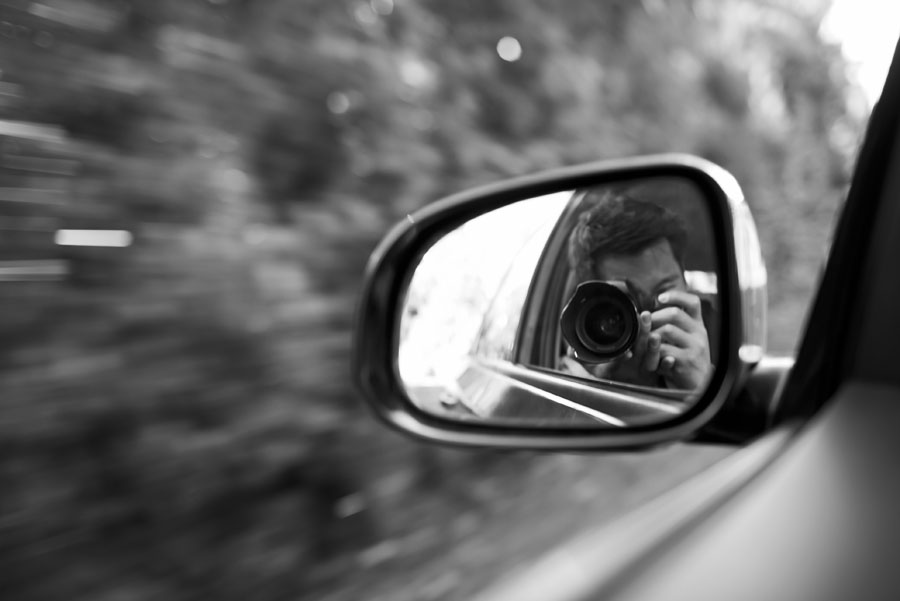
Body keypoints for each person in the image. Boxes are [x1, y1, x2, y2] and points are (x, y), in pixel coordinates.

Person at [560, 190, 715, 392]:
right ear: (588, 306)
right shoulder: (577, 366)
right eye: (626, 299)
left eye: (664, 291)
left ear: (685, 280)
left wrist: (703, 383)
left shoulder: (721, 334)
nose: (645, 316)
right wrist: (601, 385)